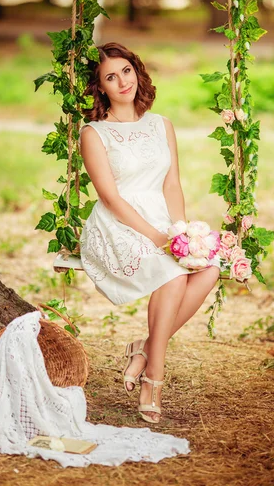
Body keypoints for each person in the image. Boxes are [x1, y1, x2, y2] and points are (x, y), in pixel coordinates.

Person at [79, 42, 220, 424]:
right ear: (101, 87)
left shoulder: (162, 125)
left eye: (126, 70)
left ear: (137, 72)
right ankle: (154, 375)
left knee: (208, 268)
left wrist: (182, 233)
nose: (121, 81)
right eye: (111, 77)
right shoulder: (94, 133)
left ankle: (143, 349)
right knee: (172, 274)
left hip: (161, 218)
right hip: (118, 224)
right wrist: (159, 240)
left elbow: (172, 184)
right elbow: (109, 198)